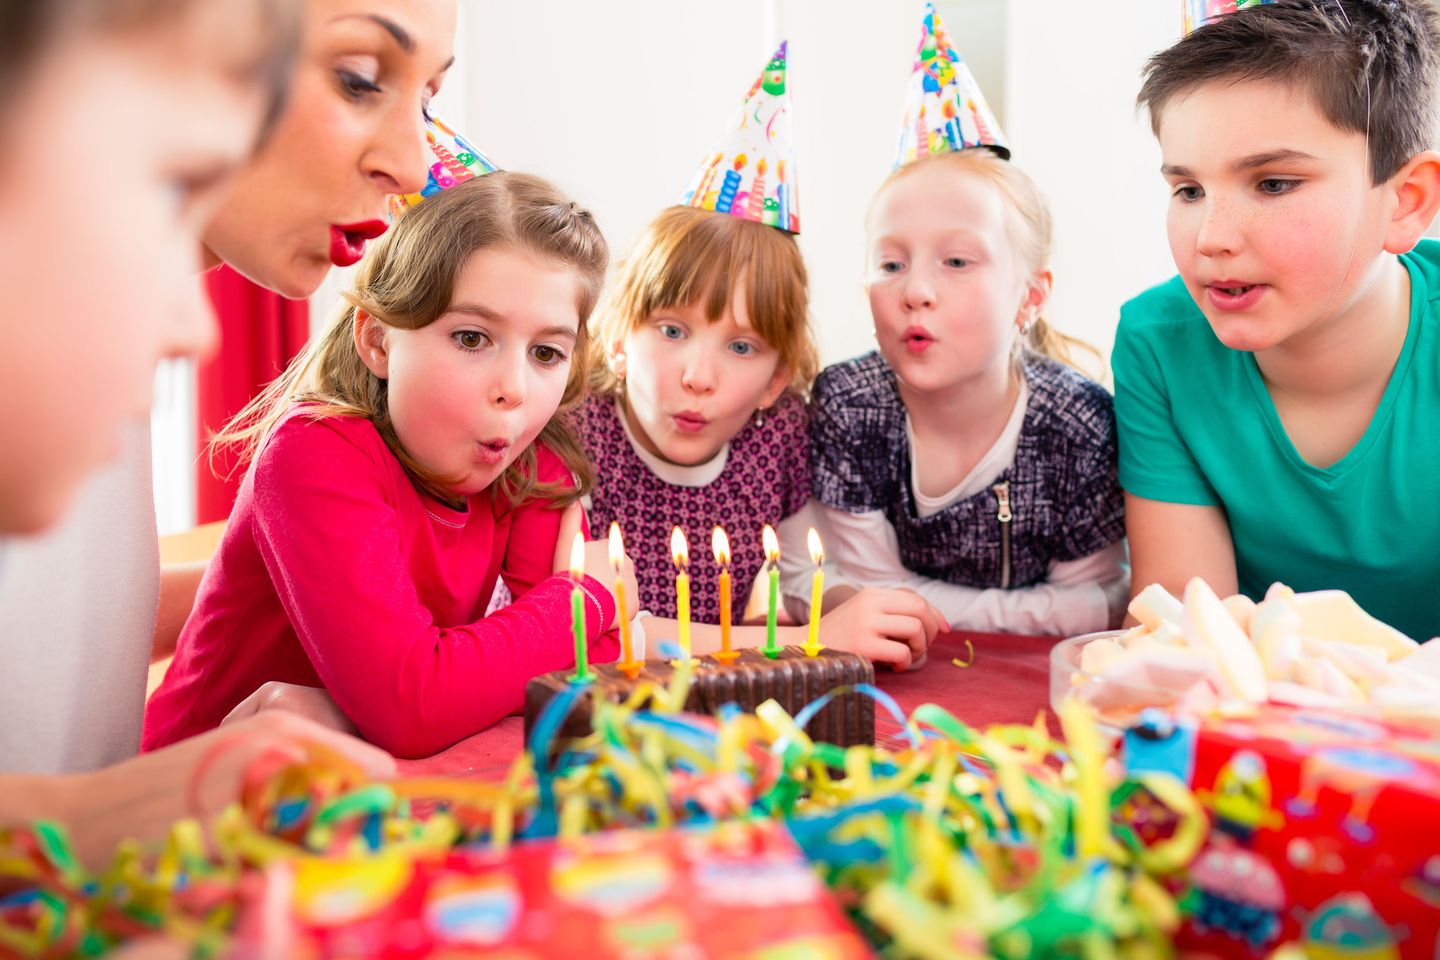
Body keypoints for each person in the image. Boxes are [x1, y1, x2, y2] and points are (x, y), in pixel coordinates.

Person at [0, 0, 459, 775]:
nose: (415, 165)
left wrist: (333, 588)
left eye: (428, 100)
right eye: (357, 78)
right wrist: (128, 806)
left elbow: (48, 629)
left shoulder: (115, 322)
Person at [143, 172, 636, 759]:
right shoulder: (313, 451)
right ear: (377, 341)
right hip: (195, 799)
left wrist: (366, 710)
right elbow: (414, 707)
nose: (515, 388)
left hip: (381, 790)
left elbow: (592, 667)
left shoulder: (529, 458)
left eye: (547, 353)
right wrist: (587, 600)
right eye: (473, 338)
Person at [1116, 0, 1440, 640]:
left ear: (1406, 202)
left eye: (1273, 184)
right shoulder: (1158, 344)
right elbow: (1186, 633)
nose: (1210, 237)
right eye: (1188, 190)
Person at [583, 205, 945, 668]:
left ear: (776, 380)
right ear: (619, 342)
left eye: (740, 347)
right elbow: (597, 631)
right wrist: (811, 638)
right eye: (672, 331)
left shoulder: (777, 433)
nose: (698, 377)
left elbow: (796, 576)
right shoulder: (580, 434)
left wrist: (859, 611)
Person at [811, 148, 1128, 637]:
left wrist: (910, 599)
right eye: (891, 264)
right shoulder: (849, 404)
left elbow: (1094, 609)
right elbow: (869, 595)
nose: (915, 290)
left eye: (956, 260)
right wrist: (1038, 611)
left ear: (1030, 296)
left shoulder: (1078, 425)